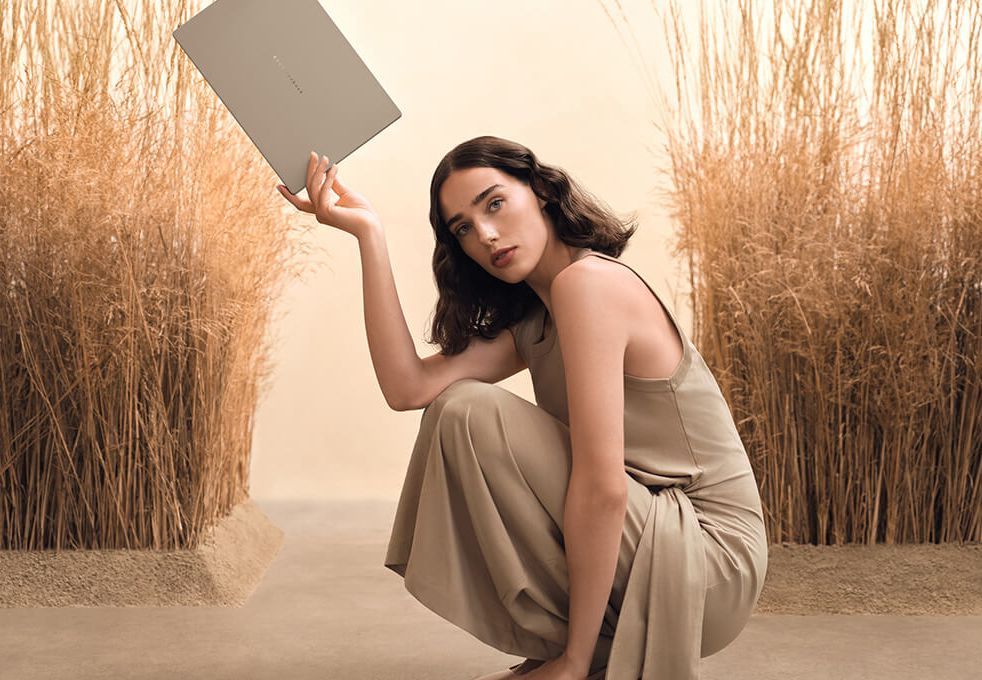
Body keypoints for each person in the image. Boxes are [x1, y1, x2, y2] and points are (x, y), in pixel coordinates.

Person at [277, 136, 768, 680]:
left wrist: (572, 664)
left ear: (539, 191)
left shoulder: (590, 284)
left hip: (705, 560)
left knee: (469, 411)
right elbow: (409, 387)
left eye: (494, 203)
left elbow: (602, 487)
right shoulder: (537, 316)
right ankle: (586, 649)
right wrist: (369, 233)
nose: (485, 234)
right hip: (648, 536)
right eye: (463, 227)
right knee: (453, 408)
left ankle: (579, 657)